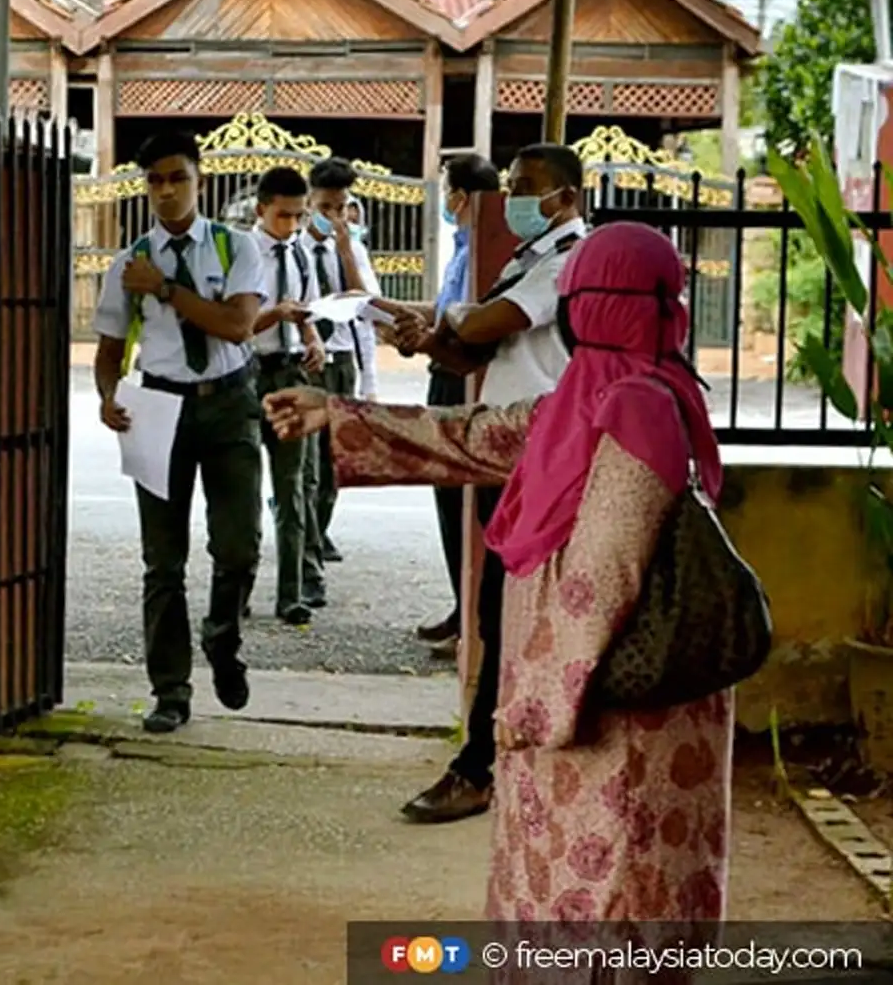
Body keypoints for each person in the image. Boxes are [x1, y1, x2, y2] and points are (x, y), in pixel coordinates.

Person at [264, 221, 732, 981]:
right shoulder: (594, 397)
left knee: (611, 893)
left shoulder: (636, 408)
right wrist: (339, 412)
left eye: (575, 297)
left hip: (610, 708)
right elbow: (478, 435)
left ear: (592, 306)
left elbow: (600, 578)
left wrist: (537, 705)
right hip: (590, 693)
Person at [377, 143, 587, 825]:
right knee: (501, 613)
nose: (514, 199)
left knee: (512, 613)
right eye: (513, 186)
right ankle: (495, 760)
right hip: (509, 455)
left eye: (527, 188)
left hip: (544, 457)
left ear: (567, 197)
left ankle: (479, 768)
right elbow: (473, 349)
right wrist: (428, 338)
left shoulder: (568, 260)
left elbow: (489, 322)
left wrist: (451, 318)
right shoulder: (529, 257)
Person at [91, 129, 264, 735]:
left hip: (229, 403)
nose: (166, 191)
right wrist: (108, 395)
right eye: (155, 181)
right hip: (159, 408)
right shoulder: (128, 263)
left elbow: (238, 326)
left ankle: (222, 633)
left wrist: (166, 289)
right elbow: (109, 350)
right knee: (162, 562)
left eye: (177, 178)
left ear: (200, 181)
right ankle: (170, 690)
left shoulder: (236, 247)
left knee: (239, 545)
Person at [413, 153, 502, 651]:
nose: (445, 200)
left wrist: (428, 335)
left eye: (447, 190)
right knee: (448, 499)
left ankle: (472, 616)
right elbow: (446, 311)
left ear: (462, 197)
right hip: (443, 370)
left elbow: (466, 323)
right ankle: (461, 604)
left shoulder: (482, 253)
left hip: (458, 377)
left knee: (461, 503)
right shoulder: (463, 248)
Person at [247, 166, 325, 624]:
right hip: (250, 374)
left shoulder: (300, 253)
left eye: (299, 216)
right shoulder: (243, 255)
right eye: (283, 216)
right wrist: (275, 314)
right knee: (244, 491)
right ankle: (237, 590)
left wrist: (313, 340)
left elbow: (307, 312)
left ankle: (291, 594)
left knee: (292, 488)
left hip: (290, 372)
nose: (292, 225)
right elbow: (234, 327)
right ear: (261, 210)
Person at [302, 160, 380, 566]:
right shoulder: (293, 246)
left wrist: (346, 250)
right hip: (305, 358)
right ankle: (305, 536)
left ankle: (319, 527)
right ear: (309, 203)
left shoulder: (352, 249)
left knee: (332, 454)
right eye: (325, 207)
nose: (334, 216)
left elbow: (365, 304)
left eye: (341, 207)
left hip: (342, 356)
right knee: (305, 459)